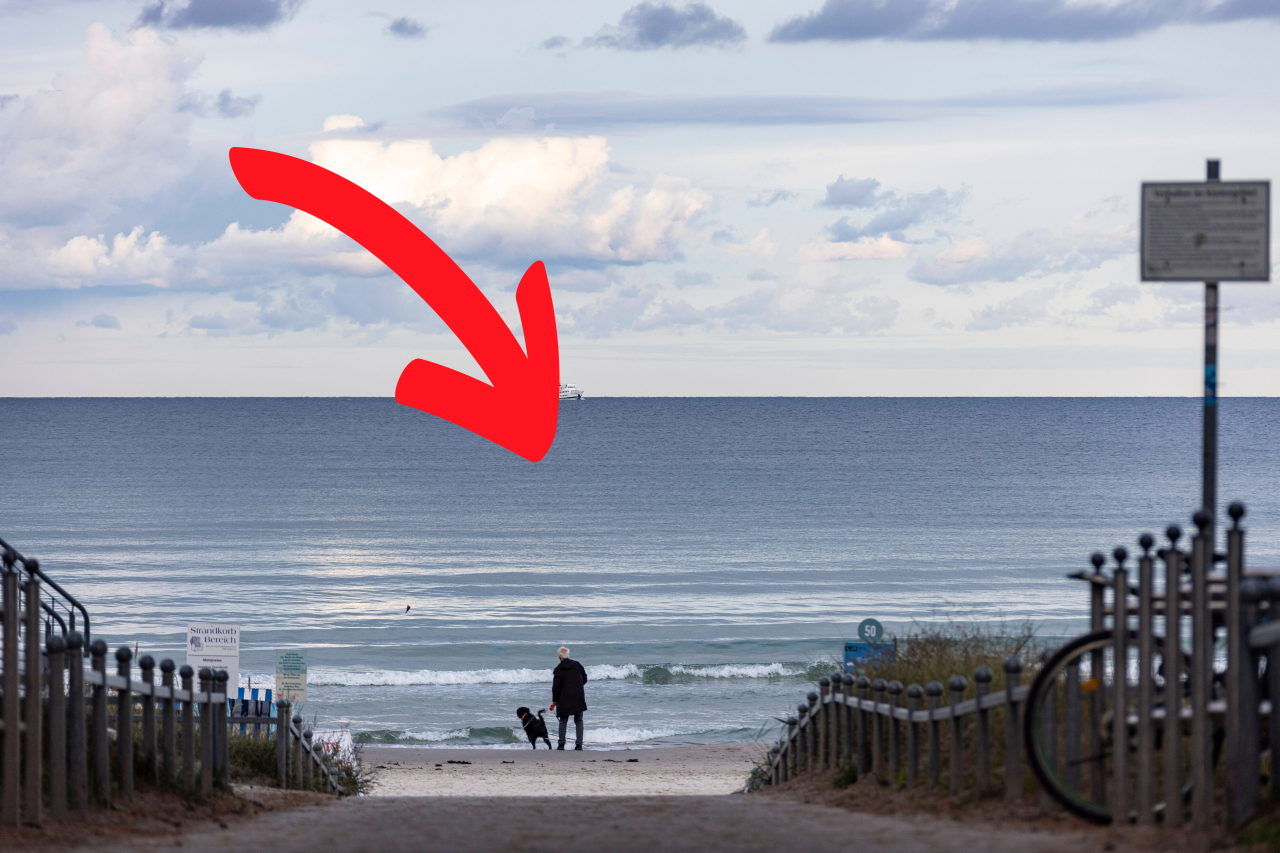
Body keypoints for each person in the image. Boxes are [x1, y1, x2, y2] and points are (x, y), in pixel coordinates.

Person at [550, 646, 588, 750]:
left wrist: (554, 700)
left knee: (563, 720)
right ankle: (579, 744)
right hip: (578, 696)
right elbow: (584, 678)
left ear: (559, 657)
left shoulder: (558, 669)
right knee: (579, 720)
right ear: (568, 655)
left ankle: (561, 744)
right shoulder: (577, 665)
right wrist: (577, 687)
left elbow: (556, 687)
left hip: (564, 698)